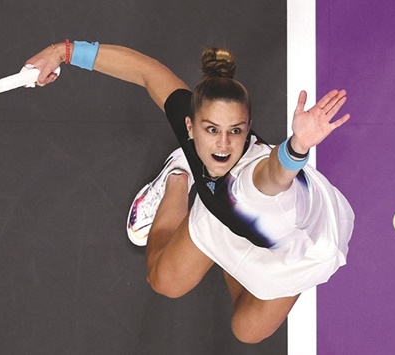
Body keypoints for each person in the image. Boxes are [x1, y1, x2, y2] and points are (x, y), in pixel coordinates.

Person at [25, 40, 354, 344]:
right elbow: (147, 72)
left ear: (247, 128)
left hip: (294, 253)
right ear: (189, 126)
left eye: (235, 131)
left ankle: (227, 242)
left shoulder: (252, 185)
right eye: (211, 129)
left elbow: (274, 175)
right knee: (164, 281)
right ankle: (177, 176)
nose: (223, 145)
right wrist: (62, 52)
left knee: (247, 332)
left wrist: (296, 148)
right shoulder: (204, 140)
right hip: (237, 216)